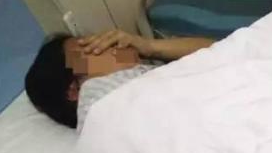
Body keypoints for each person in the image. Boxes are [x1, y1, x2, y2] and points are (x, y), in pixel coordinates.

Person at [25, 30, 214, 130]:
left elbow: (221, 50)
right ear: (74, 90)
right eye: (89, 47)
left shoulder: (145, 74)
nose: (107, 43)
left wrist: (150, 46)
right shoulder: (103, 111)